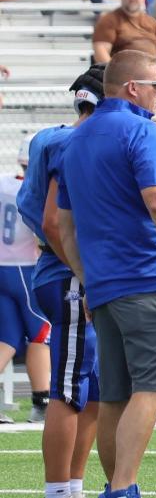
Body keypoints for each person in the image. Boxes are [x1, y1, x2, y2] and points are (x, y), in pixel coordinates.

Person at [56, 49, 156, 498]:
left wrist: (87, 279)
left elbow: (64, 228)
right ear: (133, 88)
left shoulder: (75, 140)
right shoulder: (144, 131)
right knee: (151, 387)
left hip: (103, 286)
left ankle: (116, 485)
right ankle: (122, 489)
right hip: (145, 278)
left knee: (113, 396)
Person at [16, 64, 104, 498]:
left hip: (68, 270)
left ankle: (73, 485)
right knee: (70, 388)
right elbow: (53, 222)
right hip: (69, 273)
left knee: (94, 390)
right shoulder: (74, 144)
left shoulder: (54, 137)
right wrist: (86, 271)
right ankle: (59, 491)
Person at [0, 136, 51, 427]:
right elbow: (43, 234)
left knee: (7, 337)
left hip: (2, 267)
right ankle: (41, 402)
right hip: (24, 268)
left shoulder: (4, 183)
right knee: (42, 332)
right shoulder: (35, 191)